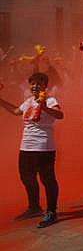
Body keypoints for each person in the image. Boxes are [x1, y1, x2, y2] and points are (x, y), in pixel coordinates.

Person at [0, 71, 63, 228]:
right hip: (26, 145)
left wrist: (44, 107)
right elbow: (16, 111)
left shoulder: (50, 100)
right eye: (33, 83)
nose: (35, 86)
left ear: (45, 86)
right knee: (26, 176)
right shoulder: (28, 101)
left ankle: (51, 211)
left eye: (39, 83)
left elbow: (60, 114)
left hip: (43, 146)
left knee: (47, 178)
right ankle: (34, 207)